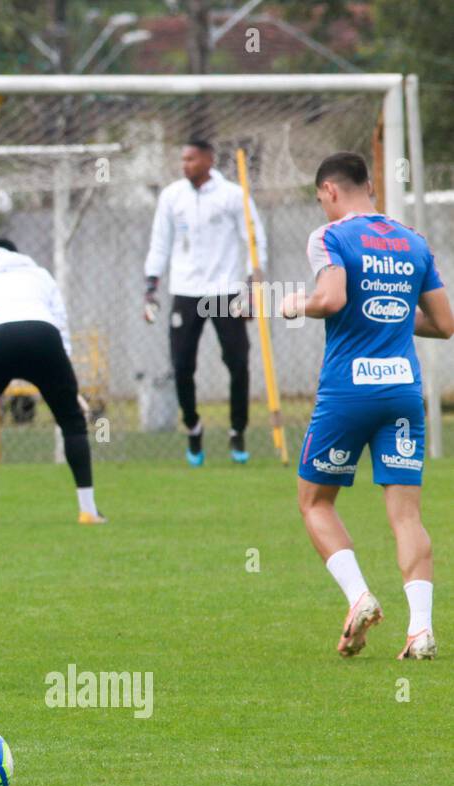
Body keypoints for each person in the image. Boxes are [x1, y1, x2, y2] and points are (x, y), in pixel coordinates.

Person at [280, 151, 452, 660]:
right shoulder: (412, 240)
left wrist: (297, 303)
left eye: (320, 199)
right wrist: (394, 323)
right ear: (370, 185)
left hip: (348, 392)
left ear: (330, 191)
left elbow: (330, 299)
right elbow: (445, 324)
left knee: (315, 501)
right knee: (406, 515)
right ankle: (421, 631)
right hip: (403, 390)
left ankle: (359, 596)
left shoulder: (329, 236)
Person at [0, 238, 103, 527]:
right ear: (18, 254)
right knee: (72, 421)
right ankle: (88, 511)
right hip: (43, 335)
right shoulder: (39, 274)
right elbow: (60, 322)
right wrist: (69, 387)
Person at [144, 138, 267, 466]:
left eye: (191, 159)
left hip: (224, 292)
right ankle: (193, 427)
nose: (185, 164)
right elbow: (160, 241)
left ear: (209, 160)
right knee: (182, 365)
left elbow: (254, 239)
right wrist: (151, 285)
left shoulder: (232, 196)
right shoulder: (172, 196)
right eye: (182, 159)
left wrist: (253, 285)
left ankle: (237, 429)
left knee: (238, 362)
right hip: (186, 292)